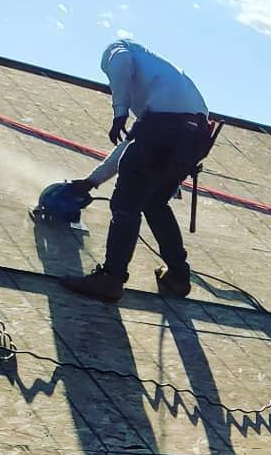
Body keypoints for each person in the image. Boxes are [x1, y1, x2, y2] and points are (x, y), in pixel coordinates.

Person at [61, 39, 211, 303]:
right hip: (195, 138)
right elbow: (130, 150)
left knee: (126, 205)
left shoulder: (121, 51)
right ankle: (178, 276)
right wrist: (91, 182)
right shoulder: (166, 86)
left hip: (166, 131)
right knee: (155, 203)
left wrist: (119, 111)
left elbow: (119, 61)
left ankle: (111, 278)